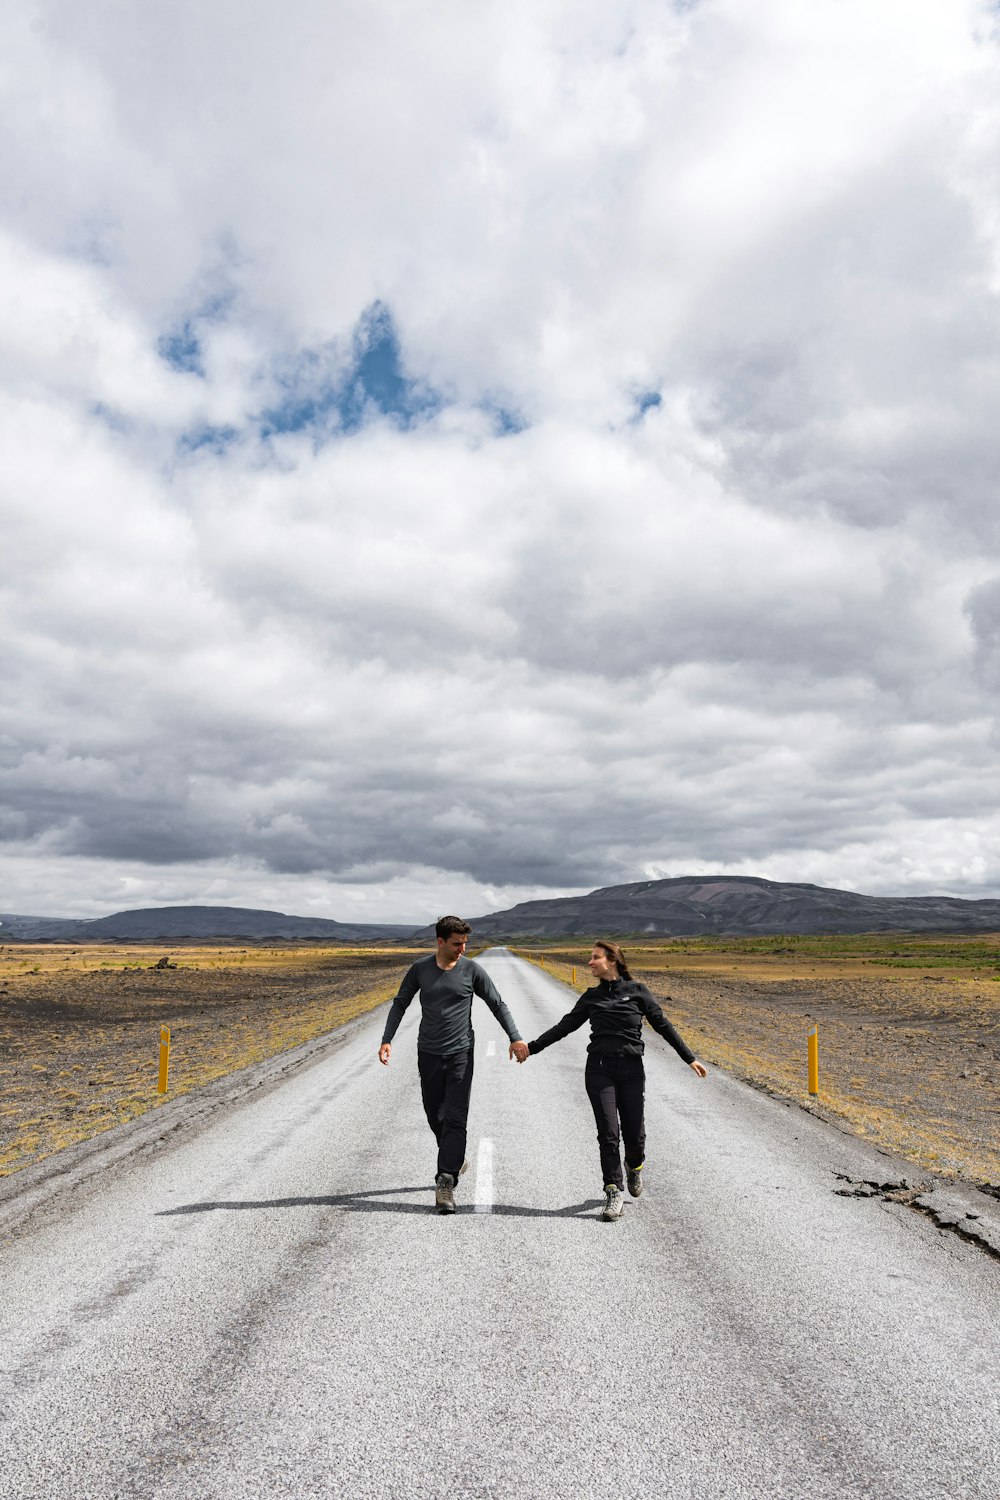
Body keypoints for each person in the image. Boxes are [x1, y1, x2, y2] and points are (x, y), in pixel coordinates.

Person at [518, 939, 707, 1221]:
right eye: (590, 957)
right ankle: (613, 1191)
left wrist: (689, 1057)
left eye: (595, 957)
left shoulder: (638, 992)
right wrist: (531, 1048)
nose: (590, 962)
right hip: (599, 1069)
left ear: (612, 961)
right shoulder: (591, 996)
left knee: (635, 1135)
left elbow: (663, 1026)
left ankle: (635, 1167)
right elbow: (565, 1027)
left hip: (632, 1070)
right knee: (608, 1132)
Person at [379, 915, 529, 1213]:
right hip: (429, 1053)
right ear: (440, 942)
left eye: (465, 943)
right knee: (435, 1115)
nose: (462, 949)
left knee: (456, 1117)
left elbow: (497, 1003)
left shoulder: (472, 970)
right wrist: (387, 1039)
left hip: (461, 1053)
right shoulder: (420, 969)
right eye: (457, 944)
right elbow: (400, 1003)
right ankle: (456, 1158)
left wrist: (515, 1037)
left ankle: (445, 1181)